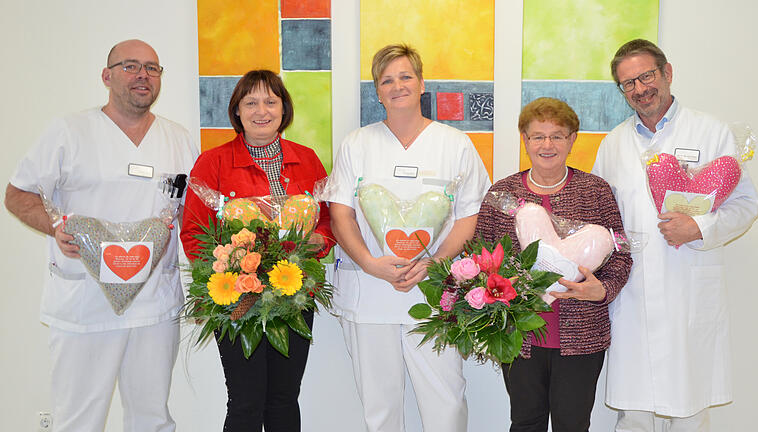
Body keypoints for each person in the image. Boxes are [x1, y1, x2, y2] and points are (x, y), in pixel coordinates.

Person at [4, 40, 198, 432]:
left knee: (153, 418)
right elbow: (17, 194)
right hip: (84, 302)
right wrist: (55, 227)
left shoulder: (178, 139)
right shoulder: (69, 131)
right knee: (78, 420)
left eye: (152, 68)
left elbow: (193, 210)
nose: (143, 75)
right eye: (130, 66)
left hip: (154, 306)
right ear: (106, 76)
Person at [593, 39, 758, 431]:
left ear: (667, 73)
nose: (639, 88)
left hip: (687, 287)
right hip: (632, 296)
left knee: (689, 410)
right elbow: (604, 220)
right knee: (634, 413)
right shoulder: (613, 144)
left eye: (646, 76)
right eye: (628, 83)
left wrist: (699, 227)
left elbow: (746, 205)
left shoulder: (711, 131)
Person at [324, 43, 491, 432]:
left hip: (433, 293)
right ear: (377, 90)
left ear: (421, 84)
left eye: (405, 76)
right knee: (379, 410)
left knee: (446, 404)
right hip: (369, 292)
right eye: (386, 80)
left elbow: (469, 215)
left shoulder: (455, 144)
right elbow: (340, 213)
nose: (396, 86)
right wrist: (370, 263)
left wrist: (435, 263)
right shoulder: (357, 144)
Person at [179, 69, 335, 432]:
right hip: (237, 300)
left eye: (270, 101)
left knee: (284, 399)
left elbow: (327, 221)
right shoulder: (212, 162)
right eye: (250, 102)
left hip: (295, 295)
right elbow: (193, 233)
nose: (261, 110)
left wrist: (319, 241)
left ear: (284, 109)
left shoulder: (307, 159)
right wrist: (228, 264)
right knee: (246, 401)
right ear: (237, 111)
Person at [475, 97, 632, 431]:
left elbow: (621, 253)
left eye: (557, 135)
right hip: (519, 336)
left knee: (573, 423)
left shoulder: (596, 191)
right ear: (525, 140)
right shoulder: (502, 194)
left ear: (572, 139)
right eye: (538, 136)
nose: (547, 145)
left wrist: (602, 289)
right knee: (525, 422)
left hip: (582, 336)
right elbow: (479, 257)